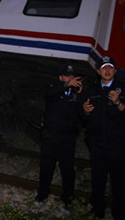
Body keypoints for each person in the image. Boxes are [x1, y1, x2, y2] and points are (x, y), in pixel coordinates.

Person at [81, 56, 125, 220]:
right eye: (104, 68)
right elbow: (83, 117)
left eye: (110, 67)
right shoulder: (92, 90)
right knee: (97, 180)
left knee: (119, 183)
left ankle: (119, 215)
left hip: (117, 145)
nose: (107, 71)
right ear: (99, 71)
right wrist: (85, 111)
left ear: (115, 71)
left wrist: (119, 104)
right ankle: (97, 212)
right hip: (97, 145)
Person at [36, 64, 82, 206]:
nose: (70, 78)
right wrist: (66, 85)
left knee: (68, 168)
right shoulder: (54, 87)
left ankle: (68, 196)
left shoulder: (76, 92)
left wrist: (81, 94)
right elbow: (49, 93)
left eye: (72, 76)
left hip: (68, 136)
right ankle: (42, 194)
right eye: (67, 76)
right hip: (51, 135)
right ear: (61, 77)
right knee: (46, 166)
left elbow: (82, 112)